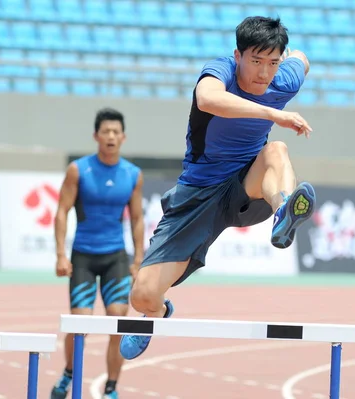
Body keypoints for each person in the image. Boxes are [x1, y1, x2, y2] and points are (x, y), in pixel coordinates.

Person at [119, 15, 315, 360]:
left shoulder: (283, 78)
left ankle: (284, 210)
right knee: (142, 295)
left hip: (247, 186)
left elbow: (302, 59)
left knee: (277, 151)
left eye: (272, 63)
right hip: (198, 194)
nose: (264, 73)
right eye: (255, 61)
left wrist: (292, 57)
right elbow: (207, 99)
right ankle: (159, 311)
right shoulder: (221, 70)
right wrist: (274, 115)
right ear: (237, 56)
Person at [51, 108, 144, 399]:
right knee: (80, 325)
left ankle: (112, 387)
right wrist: (60, 255)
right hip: (83, 258)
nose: (111, 136)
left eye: (116, 132)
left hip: (116, 257)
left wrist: (138, 259)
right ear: (96, 136)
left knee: (119, 321)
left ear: (124, 137)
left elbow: (138, 219)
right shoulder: (78, 170)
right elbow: (62, 211)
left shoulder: (132, 174)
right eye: (106, 131)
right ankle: (68, 373)